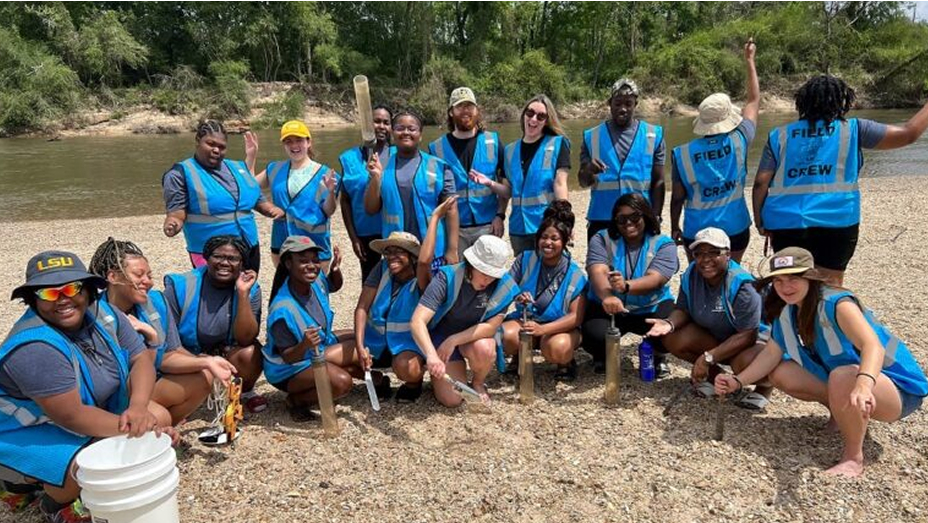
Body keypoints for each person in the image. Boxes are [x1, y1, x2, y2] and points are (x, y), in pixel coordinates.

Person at [715, 247, 927, 477]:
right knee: (781, 372)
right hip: (853, 381)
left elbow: (872, 346)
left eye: (794, 279)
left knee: (843, 375)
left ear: (810, 277)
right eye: (779, 281)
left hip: (899, 391)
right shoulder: (788, 311)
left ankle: (853, 457)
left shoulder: (837, 303)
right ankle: (842, 413)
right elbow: (770, 355)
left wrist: (864, 385)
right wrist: (737, 381)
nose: (785, 287)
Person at [0, 251, 172, 523]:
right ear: (33, 300)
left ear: (89, 290)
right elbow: (71, 416)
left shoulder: (105, 313)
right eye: (49, 294)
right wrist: (139, 429)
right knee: (90, 464)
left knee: (156, 417)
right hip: (23, 428)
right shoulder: (34, 348)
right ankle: (44, 498)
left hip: (77, 411)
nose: (63, 299)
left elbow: (141, 359)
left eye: (72, 288)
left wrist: (138, 409)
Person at [753, 76, 928, 286]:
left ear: (802, 102)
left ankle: (795, 318)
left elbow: (761, 182)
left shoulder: (778, 136)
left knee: (792, 285)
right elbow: (908, 134)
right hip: (836, 221)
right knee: (830, 287)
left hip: (785, 223)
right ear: (841, 101)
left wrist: (760, 221)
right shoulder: (854, 129)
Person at [89, 238, 238, 425]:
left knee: (205, 374)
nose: (148, 282)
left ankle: (163, 430)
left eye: (149, 276)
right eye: (139, 275)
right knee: (159, 416)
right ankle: (136, 430)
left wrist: (207, 361)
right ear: (113, 277)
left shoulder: (157, 303)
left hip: (149, 383)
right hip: (115, 395)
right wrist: (151, 337)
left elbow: (170, 354)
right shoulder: (93, 316)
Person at [644, 228, 770, 409]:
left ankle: (764, 388)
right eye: (699, 253)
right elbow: (683, 309)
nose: (705, 259)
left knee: (743, 363)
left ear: (728, 254)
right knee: (673, 337)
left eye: (714, 252)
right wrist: (669, 323)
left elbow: (748, 334)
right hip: (715, 336)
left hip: (748, 343)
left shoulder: (742, 285)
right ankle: (717, 378)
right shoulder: (692, 274)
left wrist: (707, 357)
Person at [354, 198, 455, 403]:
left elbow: (425, 261)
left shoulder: (422, 280)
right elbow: (362, 307)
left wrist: (435, 217)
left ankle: (413, 383)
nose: (392, 256)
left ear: (412, 257)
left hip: (408, 344)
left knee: (406, 368)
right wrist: (359, 345)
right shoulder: (381, 269)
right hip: (376, 341)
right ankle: (378, 380)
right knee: (336, 353)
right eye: (389, 252)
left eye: (399, 251)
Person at [671, 40, 759, 263]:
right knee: (731, 273)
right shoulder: (741, 138)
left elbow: (677, 198)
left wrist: (674, 227)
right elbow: (753, 100)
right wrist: (749, 60)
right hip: (736, 226)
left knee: (700, 278)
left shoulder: (682, 154)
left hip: (696, 230)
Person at [161, 120, 283, 273]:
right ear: (198, 141)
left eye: (221, 147)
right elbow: (176, 214)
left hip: (249, 245)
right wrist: (172, 224)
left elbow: (256, 198)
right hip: (211, 253)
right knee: (216, 295)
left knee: (248, 291)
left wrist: (273, 210)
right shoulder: (179, 174)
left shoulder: (238, 167)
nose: (216, 150)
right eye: (211, 144)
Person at [163, 235, 267, 414]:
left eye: (233, 258)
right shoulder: (180, 286)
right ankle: (188, 394)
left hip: (227, 352)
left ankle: (245, 392)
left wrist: (242, 293)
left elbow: (246, 338)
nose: (224, 263)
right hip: (187, 352)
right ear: (206, 258)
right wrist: (196, 359)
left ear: (242, 263)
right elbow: (167, 335)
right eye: (217, 256)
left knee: (251, 352)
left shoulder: (251, 289)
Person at [411, 235, 519, 406]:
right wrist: (431, 355)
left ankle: (477, 382)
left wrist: (454, 340)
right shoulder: (446, 277)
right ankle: (438, 373)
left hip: (472, 338)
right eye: (483, 273)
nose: (488, 280)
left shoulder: (505, 287)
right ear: (471, 264)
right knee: (451, 400)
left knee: (485, 347)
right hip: (441, 334)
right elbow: (417, 321)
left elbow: (490, 328)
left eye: (493, 275)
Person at [262, 236, 357, 422]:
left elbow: (332, 286)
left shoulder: (315, 278)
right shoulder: (282, 310)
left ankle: (355, 371)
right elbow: (288, 357)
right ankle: (297, 400)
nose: (312, 265)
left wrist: (335, 269)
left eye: (315, 260)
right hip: (288, 369)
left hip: (317, 346)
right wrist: (305, 344)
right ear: (288, 263)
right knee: (342, 383)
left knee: (360, 339)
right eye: (303, 261)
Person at [582, 193, 678, 375]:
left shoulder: (664, 244)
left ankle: (657, 354)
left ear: (646, 216)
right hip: (611, 308)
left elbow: (656, 279)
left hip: (650, 307)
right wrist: (608, 297)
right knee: (593, 335)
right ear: (614, 221)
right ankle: (603, 355)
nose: (628, 223)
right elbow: (597, 271)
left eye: (635, 217)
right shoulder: (601, 238)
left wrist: (626, 286)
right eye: (621, 219)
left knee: (669, 332)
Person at [500, 201, 587, 381]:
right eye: (544, 237)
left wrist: (543, 329)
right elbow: (504, 289)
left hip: (558, 328)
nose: (548, 243)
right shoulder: (524, 259)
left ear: (564, 241)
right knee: (504, 336)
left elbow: (575, 317)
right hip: (527, 322)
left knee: (557, 348)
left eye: (554, 239)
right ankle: (518, 356)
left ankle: (566, 362)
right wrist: (517, 295)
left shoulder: (576, 274)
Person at [363, 109, 460, 267]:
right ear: (393, 133)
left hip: (432, 248)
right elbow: (371, 208)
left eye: (412, 129)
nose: (406, 132)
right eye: (400, 128)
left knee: (431, 291)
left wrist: (452, 249)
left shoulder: (439, 167)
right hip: (396, 250)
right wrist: (375, 178)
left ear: (420, 135)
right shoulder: (380, 166)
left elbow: (452, 210)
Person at [579, 79, 666, 240]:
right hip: (602, 217)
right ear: (609, 103)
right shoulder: (591, 136)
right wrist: (588, 170)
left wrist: (656, 216)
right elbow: (583, 182)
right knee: (600, 265)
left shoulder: (654, 135)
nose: (623, 109)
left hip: (639, 218)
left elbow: (658, 181)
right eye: (617, 103)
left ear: (636, 104)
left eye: (628, 103)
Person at [428, 87, 509, 255]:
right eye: (460, 106)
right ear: (451, 112)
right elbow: (431, 192)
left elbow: (506, 184)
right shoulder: (436, 149)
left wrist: (500, 216)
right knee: (456, 278)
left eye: (469, 106)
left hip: (488, 225)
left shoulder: (493, 141)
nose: (466, 111)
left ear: (477, 110)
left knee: (487, 278)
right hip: (454, 230)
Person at [249, 120, 338, 268]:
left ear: (308, 142)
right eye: (288, 141)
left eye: (299, 140)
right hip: (282, 243)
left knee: (315, 290)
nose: (294, 145)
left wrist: (330, 193)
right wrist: (251, 157)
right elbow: (248, 188)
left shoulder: (325, 173)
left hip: (314, 245)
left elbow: (329, 211)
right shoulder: (275, 168)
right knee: (284, 288)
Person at [504, 94, 571, 256]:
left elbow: (560, 184)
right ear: (524, 115)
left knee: (551, 274)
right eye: (530, 113)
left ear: (547, 121)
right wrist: (489, 184)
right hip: (518, 228)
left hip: (546, 226)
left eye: (540, 116)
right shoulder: (509, 150)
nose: (533, 119)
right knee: (525, 275)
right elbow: (507, 190)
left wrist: (565, 221)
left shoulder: (558, 144)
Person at [339, 104, 393, 280]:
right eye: (376, 121)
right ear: (367, 125)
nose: (381, 126)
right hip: (365, 232)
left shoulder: (400, 155)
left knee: (398, 278)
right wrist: (353, 238)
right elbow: (345, 200)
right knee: (370, 280)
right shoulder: (349, 158)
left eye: (386, 122)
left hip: (393, 229)